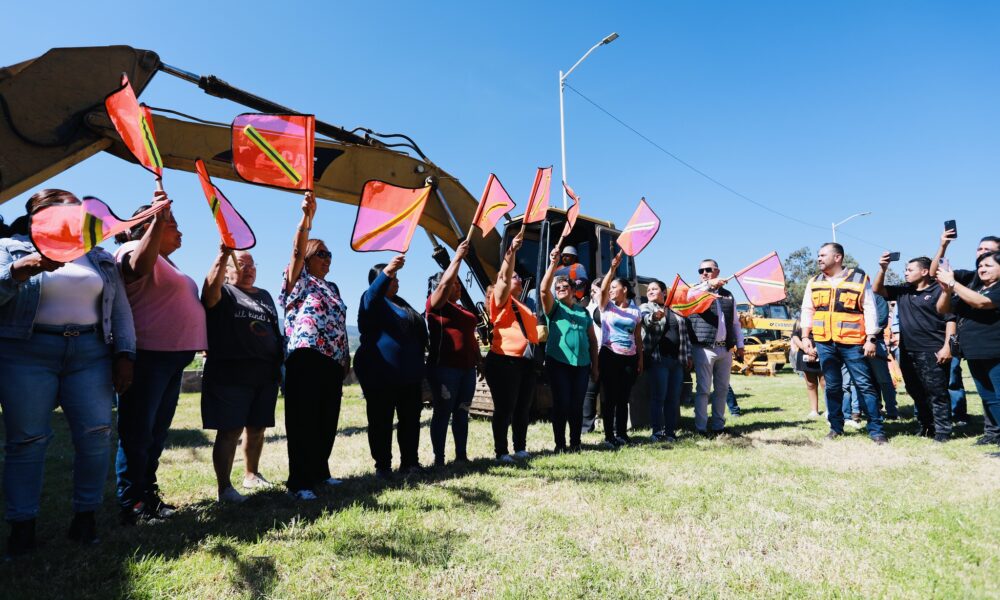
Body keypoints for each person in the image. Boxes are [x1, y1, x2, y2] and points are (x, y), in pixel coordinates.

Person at [0, 190, 135, 556]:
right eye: (53, 209)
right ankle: (23, 527)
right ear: (34, 215)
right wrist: (18, 271)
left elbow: (120, 309)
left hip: (90, 353)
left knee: (96, 434)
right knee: (26, 440)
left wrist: (125, 353)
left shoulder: (100, 256)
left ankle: (85, 517)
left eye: (71, 209)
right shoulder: (10, 247)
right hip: (26, 351)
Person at [115, 195, 208, 522]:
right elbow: (137, 267)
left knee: (155, 433)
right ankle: (132, 502)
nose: (180, 231)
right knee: (138, 432)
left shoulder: (169, 264)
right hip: (148, 357)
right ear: (145, 228)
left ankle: (148, 494)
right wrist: (157, 219)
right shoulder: (132, 251)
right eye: (172, 224)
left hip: (171, 360)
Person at [279, 193, 350, 500]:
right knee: (303, 419)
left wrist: (345, 356)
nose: (328, 258)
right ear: (308, 257)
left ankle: (320, 471)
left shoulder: (332, 287)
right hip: (305, 356)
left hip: (332, 360)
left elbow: (339, 323)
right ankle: (300, 481)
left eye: (329, 254)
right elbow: (295, 251)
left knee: (326, 418)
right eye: (321, 253)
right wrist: (306, 220)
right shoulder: (298, 278)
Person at [201, 247, 283, 502]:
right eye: (242, 265)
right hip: (230, 372)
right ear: (227, 271)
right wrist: (222, 255)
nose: (249, 270)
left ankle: (252, 474)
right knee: (230, 429)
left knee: (257, 427)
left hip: (264, 372)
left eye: (252, 265)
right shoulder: (222, 291)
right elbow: (208, 295)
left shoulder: (266, 296)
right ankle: (224, 488)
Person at [799, 243, 887, 444]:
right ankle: (836, 428)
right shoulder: (814, 281)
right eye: (818, 255)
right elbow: (807, 310)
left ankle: (876, 430)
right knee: (832, 386)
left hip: (853, 342)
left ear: (837, 257)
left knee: (864, 385)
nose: (819, 258)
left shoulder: (858, 279)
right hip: (824, 342)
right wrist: (805, 337)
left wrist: (871, 338)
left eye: (823, 255)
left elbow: (870, 309)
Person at [356, 256, 429, 478]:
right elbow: (372, 294)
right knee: (381, 420)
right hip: (380, 375)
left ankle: (410, 462)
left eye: (396, 278)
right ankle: (383, 466)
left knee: (410, 419)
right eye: (391, 278)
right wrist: (388, 269)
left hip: (408, 375)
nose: (396, 282)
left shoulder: (402, 303)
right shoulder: (371, 301)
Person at [874, 255, 954, 441]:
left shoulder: (939, 289)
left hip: (932, 350)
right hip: (908, 350)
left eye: (910, 270)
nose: (905, 273)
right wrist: (883, 269)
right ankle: (927, 427)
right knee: (915, 390)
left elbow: (950, 319)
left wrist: (947, 347)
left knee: (936, 392)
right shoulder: (904, 290)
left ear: (924, 272)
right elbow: (878, 290)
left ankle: (943, 431)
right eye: (906, 270)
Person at [931, 232, 999, 425]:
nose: (982, 256)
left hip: (995, 350)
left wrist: (953, 283)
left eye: (988, 253)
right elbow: (934, 272)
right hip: (974, 350)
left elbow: (981, 303)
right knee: (988, 396)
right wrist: (943, 246)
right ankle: (993, 434)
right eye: (980, 249)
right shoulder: (972, 280)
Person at [484, 234, 539, 463]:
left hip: (525, 361)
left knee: (522, 407)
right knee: (505, 407)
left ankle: (520, 447)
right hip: (504, 360)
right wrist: (511, 253)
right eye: (515, 275)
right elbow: (505, 279)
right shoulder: (501, 301)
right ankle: (501, 452)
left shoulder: (523, 305)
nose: (518, 278)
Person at [426, 240, 480, 467]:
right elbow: (443, 286)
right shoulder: (436, 305)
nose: (458, 287)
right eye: (454, 283)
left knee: (462, 412)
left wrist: (479, 361)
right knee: (443, 412)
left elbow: (470, 338)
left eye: (459, 284)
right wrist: (457, 258)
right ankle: (439, 459)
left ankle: (461, 455)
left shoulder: (461, 309)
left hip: (467, 369)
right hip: (445, 368)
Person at [540, 246, 599, 452]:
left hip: (582, 364)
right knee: (562, 403)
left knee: (576, 405)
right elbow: (543, 290)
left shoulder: (584, 313)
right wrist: (552, 264)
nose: (561, 289)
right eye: (558, 288)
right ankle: (559, 445)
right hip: (559, 363)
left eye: (565, 287)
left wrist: (595, 366)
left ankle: (575, 443)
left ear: (574, 290)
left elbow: (593, 341)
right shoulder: (554, 308)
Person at [687, 259, 744, 435]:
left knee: (722, 389)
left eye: (708, 270)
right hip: (704, 347)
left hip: (724, 348)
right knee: (703, 390)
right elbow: (689, 297)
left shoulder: (728, 295)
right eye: (700, 270)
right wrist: (708, 285)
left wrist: (740, 344)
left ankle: (718, 425)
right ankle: (701, 428)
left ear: (717, 271)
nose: (704, 273)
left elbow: (735, 322)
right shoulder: (696, 290)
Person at [597, 251, 643, 448]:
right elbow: (602, 289)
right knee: (609, 398)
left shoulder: (636, 311)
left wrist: (640, 359)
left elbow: (638, 337)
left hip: (629, 358)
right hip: (609, 355)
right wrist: (612, 268)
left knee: (623, 398)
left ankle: (622, 434)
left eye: (616, 287)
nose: (612, 290)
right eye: (611, 287)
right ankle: (609, 436)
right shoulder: (607, 306)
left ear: (625, 289)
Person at [640, 279, 691, 441]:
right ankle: (657, 432)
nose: (650, 291)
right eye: (648, 289)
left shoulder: (676, 310)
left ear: (664, 292)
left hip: (677, 361)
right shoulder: (646, 307)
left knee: (673, 398)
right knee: (658, 397)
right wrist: (654, 317)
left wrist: (688, 355)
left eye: (654, 289)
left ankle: (670, 432)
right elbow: (646, 319)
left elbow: (685, 335)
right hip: (658, 359)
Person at [581, 281, 603, 435]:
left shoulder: (612, 308)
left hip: (610, 353)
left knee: (609, 392)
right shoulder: (587, 309)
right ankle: (586, 427)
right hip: (593, 353)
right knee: (590, 392)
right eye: (592, 291)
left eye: (596, 291)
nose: (592, 294)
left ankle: (612, 424)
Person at [790, 321, 825, 418]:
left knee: (825, 383)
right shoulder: (799, 321)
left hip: (822, 352)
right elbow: (795, 336)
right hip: (805, 354)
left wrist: (815, 350)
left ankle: (829, 409)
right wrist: (806, 349)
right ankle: (814, 411)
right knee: (810, 384)